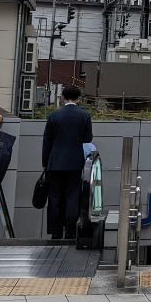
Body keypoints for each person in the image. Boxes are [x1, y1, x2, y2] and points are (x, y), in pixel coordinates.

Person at [42, 85, 93, 241]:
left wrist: (45, 163)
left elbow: (47, 141)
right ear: (78, 98)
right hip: (74, 162)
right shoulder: (84, 115)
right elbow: (87, 138)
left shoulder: (54, 115)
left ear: (63, 97)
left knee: (55, 197)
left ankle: (55, 232)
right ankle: (71, 232)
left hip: (55, 161)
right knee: (72, 196)